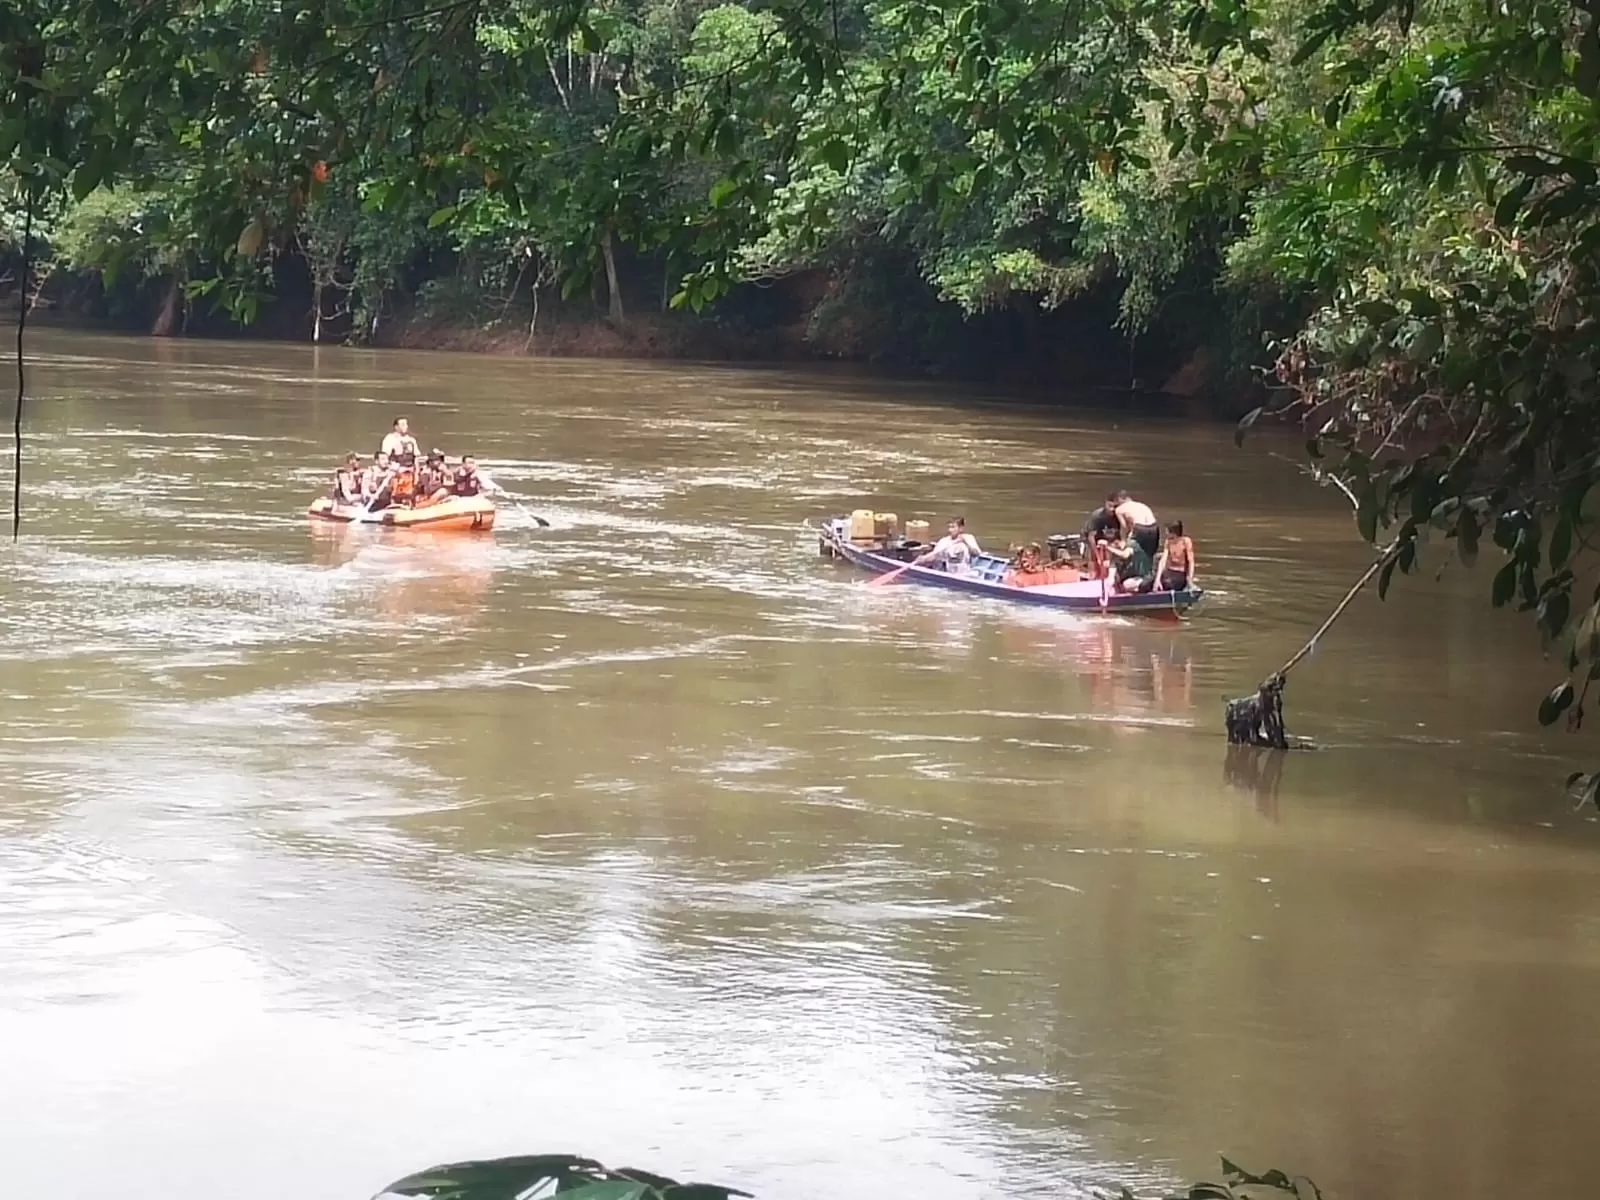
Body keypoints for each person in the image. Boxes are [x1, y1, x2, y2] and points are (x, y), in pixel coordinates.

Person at [912, 516, 982, 573]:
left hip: (965, 573)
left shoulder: (968, 538)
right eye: (949, 527)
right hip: (950, 573)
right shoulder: (944, 541)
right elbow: (934, 556)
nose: (950, 530)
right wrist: (924, 559)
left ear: (961, 528)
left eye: (953, 527)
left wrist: (965, 542)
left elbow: (977, 553)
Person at [1110, 490, 1160, 559]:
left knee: (1128, 552)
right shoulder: (1141, 505)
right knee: (1149, 554)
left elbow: (1124, 526)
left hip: (1140, 528)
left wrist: (1123, 540)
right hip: (1154, 527)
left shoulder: (1119, 509)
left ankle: (1110, 549)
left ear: (1119, 499)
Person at [1153, 520, 1197, 591]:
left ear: (1173, 532)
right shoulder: (1168, 542)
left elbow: (1191, 562)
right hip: (1169, 572)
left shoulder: (1185, 541)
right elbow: (1163, 561)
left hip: (1180, 573)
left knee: (1168, 583)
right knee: (1149, 582)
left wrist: (1189, 580)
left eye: (1167, 531)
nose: (1166, 533)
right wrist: (1157, 580)